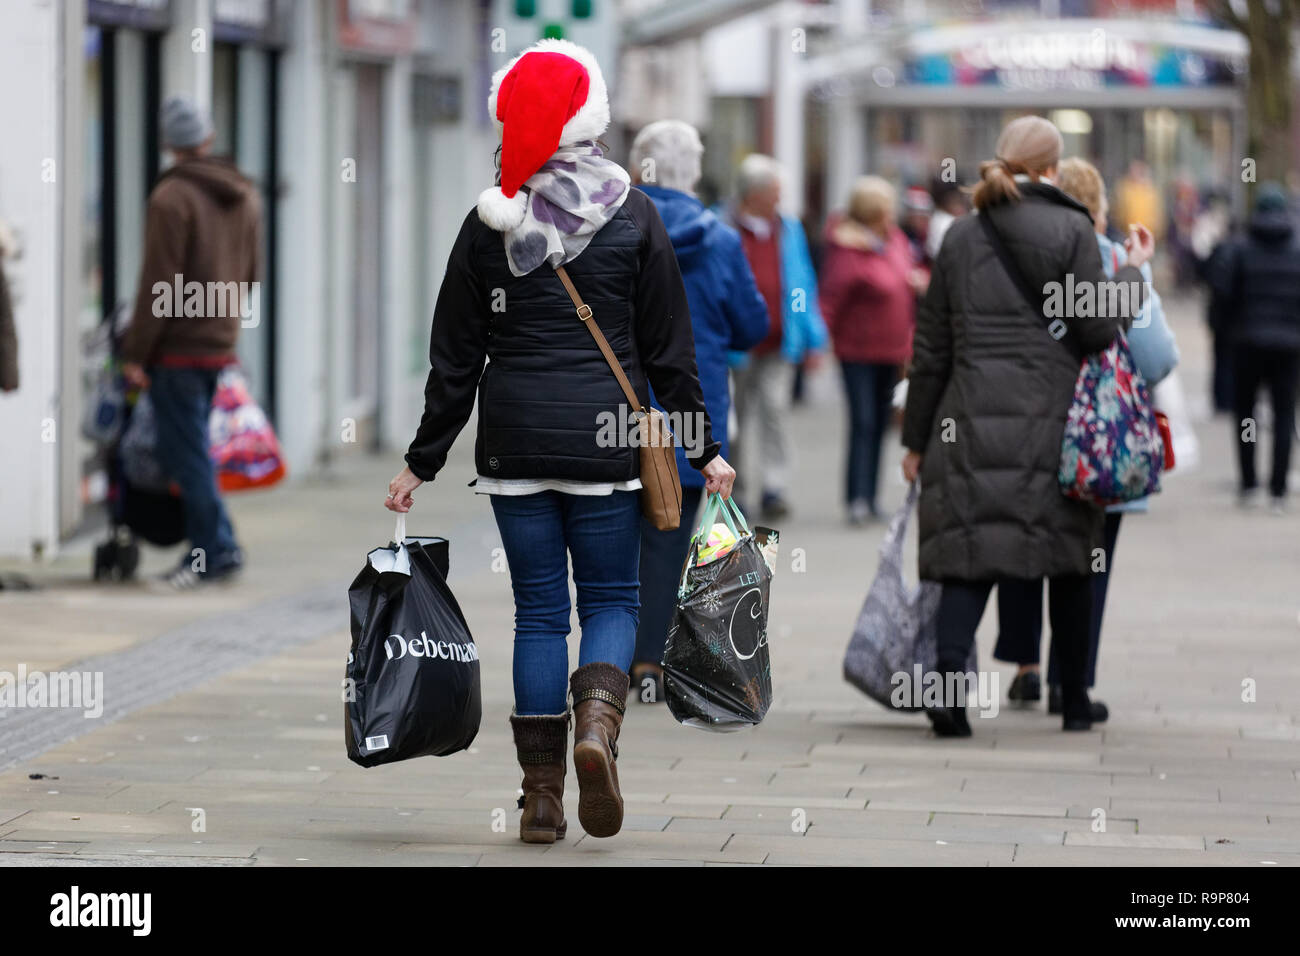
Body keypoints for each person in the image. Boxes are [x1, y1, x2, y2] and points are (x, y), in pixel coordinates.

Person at [384, 41, 735, 844]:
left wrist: (420, 462)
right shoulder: (636, 213)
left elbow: (454, 360)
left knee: (538, 612)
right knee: (611, 600)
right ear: (593, 119)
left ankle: (540, 798)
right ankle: (596, 733)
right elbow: (668, 353)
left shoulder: (487, 225)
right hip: (608, 450)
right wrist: (704, 447)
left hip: (514, 448)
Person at [900, 115, 1153, 736]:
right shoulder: (1071, 228)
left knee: (967, 559)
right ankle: (1072, 703)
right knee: (1067, 558)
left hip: (967, 420)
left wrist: (916, 439)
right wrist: (1133, 273)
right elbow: (1095, 328)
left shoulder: (959, 235)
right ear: (1050, 167)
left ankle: (950, 698)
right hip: (1054, 418)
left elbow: (931, 346)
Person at [995, 157, 1179, 717]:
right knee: (1089, 560)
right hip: (1098, 439)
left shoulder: (1013, 255)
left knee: (1024, 547)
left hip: (1026, 429)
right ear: (1098, 210)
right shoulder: (1114, 262)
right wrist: (1137, 274)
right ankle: (1071, 682)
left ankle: (1026, 663)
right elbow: (1156, 358)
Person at [625, 120, 769, 703]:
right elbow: (754, 324)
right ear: (695, 172)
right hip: (690, 411)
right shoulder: (721, 238)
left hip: (620, 405)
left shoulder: (614, 224)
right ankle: (647, 665)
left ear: (639, 168)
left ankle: (603, 660)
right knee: (668, 537)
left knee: (609, 538)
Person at [120, 96, 260, 589]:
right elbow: (250, 274)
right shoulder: (244, 193)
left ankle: (209, 556)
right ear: (207, 137)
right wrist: (224, 328)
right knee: (196, 451)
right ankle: (222, 545)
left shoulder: (170, 198)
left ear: (167, 144)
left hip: (177, 349)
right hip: (217, 342)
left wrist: (136, 354)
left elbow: (158, 281)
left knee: (188, 457)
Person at [717, 154, 828, 521]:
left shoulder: (788, 228)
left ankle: (774, 488)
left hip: (781, 341)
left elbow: (802, 283)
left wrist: (813, 337)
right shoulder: (722, 224)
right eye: (775, 192)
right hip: (736, 345)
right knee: (737, 418)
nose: (780, 200)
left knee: (775, 413)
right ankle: (739, 490)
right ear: (755, 193)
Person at [819, 176, 918, 524]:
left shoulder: (895, 240)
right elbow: (831, 298)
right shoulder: (847, 246)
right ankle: (856, 498)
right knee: (862, 422)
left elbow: (905, 274)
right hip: (858, 350)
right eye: (887, 209)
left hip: (893, 350)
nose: (893, 215)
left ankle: (871, 496)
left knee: (879, 424)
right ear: (872, 212)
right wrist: (819, 344)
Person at [1210, 182, 1300, 514]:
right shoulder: (1296, 249)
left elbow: (1222, 293)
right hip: (1289, 347)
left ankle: (1249, 483)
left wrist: (1227, 329)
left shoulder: (1239, 248)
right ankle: (1278, 489)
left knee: (1246, 414)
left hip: (1247, 344)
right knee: (1284, 414)